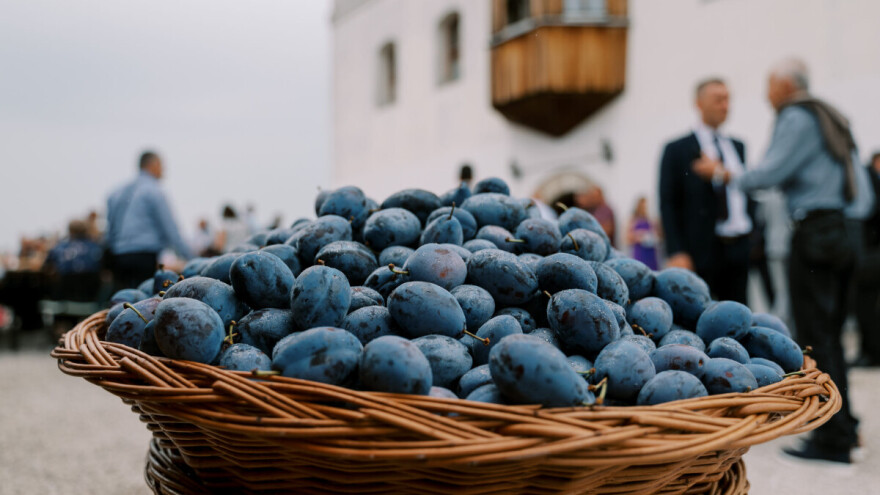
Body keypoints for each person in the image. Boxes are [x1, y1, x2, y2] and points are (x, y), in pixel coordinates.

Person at [693, 58, 875, 464]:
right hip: (848, 232)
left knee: (816, 336)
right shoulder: (831, 116)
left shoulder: (796, 116)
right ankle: (846, 425)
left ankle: (832, 439)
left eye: (768, 86)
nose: (764, 95)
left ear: (784, 87)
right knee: (832, 333)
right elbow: (860, 189)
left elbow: (768, 174)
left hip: (818, 234)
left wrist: (721, 174)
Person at [658, 78, 755, 304]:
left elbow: (744, 193)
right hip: (700, 250)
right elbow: (667, 202)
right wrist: (676, 250)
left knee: (739, 314)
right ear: (699, 104)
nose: (725, 106)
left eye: (727, 99)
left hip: (739, 248)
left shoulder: (738, 146)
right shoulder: (677, 149)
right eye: (718, 100)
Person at [105, 151, 193, 291]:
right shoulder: (154, 191)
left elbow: (110, 229)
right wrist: (191, 259)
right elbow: (170, 229)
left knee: (121, 302)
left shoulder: (116, 192)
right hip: (145, 257)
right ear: (153, 165)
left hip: (119, 256)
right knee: (143, 300)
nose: (164, 170)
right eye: (162, 165)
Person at [851, 152, 880, 367]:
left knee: (866, 305)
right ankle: (870, 351)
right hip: (870, 253)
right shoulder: (869, 177)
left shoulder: (869, 179)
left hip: (870, 253)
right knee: (866, 305)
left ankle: (870, 352)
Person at [43, 220, 103, 302]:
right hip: (91, 298)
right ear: (86, 231)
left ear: (70, 231)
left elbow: (45, 266)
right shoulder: (96, 246)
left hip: (64, 298)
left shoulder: (60, 247)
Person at [626, 196, 660, 270]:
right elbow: (628, 238)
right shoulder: (633, 220)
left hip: (650, 252)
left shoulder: (651, 219)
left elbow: (658, 235)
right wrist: (639, 235)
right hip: (640, 252)